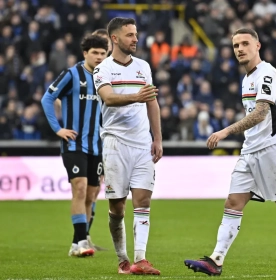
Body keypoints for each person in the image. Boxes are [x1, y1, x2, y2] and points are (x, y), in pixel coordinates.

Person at [184, 28, 276, 276]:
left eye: (245, 43)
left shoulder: (267, 74)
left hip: (271, 149)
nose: (240, 49)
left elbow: (260, 113)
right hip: (250, 151)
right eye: (236, 45)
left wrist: (225, 131)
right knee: (233, 202)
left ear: (258, 46)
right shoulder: (247, 78)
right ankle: (216, 260)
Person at [93, 17, 163, 275]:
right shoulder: (103, 69)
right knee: (117, 207)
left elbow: (151, 103)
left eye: (136, 34)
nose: (135, 39)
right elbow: (108, 98)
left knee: (143, 199)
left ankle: (141, 259)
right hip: (115, 144)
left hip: (142, 143)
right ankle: (123, 260)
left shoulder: (143, 66)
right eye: (130, 35)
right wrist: (136, 96)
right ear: (114, 38)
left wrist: (157, 138)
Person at [41, 35, 109, 257]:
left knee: (91, 196)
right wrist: (58, 129)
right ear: (85, 54)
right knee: (79, 189)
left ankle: (77, 243)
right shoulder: (72, 74)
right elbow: (47, 99)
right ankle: (81, 242)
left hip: (97, 146)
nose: (99, 57)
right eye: (95, 53)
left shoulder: (106, 77)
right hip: (74, 144)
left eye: (102, 53)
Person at [84, 28, 112, 251]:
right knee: (87, 190)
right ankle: (82, 236)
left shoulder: (111, 72)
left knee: (95, 191)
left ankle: (86, 235)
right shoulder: (85, 74)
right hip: (88, 142)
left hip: (105, 141)